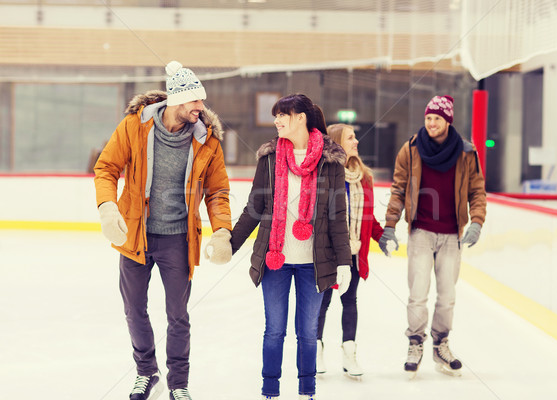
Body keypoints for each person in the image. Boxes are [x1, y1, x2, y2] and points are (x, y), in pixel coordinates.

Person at [94, 61, 233, 400]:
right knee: (134, 309)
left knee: (178, 315)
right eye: (194, 101)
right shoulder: (135, 127)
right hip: (136, 235)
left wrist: (222, 231)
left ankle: (179, 383)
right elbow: (107, 168)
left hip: (177, 240)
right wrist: (108, 207)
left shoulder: (207, 142)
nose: (201, 108)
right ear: (175, 101)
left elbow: (217, 192)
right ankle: (146, 372)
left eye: (201, 101)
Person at [229, 94, 352, 400]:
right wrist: (229, 244)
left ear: (301, 118)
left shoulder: (330, 160)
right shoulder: (269, 158)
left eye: (283, 114)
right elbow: (253, 208)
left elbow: (338, 215)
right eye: (276, 116)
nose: (277, 120)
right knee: (274, 330)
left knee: (308, 333)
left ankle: (306, 391)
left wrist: (344, 261)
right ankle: (270, 391)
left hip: (315, 261)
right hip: (276, 260)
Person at [381, 95, 486, 377]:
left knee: (447, 296)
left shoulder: (465, 152)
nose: (431, 123)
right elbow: (398, 188)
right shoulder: (411, 149)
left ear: (447, 121)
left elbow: (477, 191)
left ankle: (441, 344)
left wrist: (476, 222)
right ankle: (415, 343)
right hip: (421, 232)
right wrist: (390, 224)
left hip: (452, 234)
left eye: (437, 118)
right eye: (428, 118)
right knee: (417, 294)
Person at [315, 123, 384, 377]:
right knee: (322, 302)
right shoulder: (323, 174)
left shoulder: (364, 177)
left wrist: (382, 236)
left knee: (350, 301)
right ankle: (316, 351)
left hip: (354, 251)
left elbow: (368, 217)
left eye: (355, 137)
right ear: (336, 143)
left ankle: (349, 354)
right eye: (351, 138)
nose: (356, 142)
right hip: (329, 252)